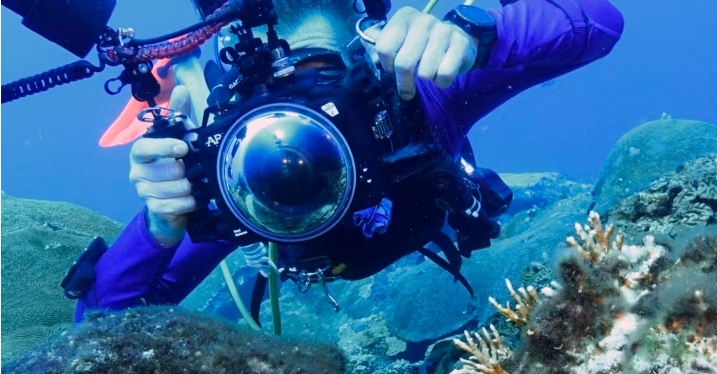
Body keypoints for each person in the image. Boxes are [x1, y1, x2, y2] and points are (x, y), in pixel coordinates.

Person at [73, 0, 624, 321]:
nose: (295, 155)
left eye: (327, 80)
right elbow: (102, 330)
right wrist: (159, 224)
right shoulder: (239, 171)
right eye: (278, 107)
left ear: (368, 42)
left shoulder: (413, 93)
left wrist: (473, 32)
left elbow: (597, 23)